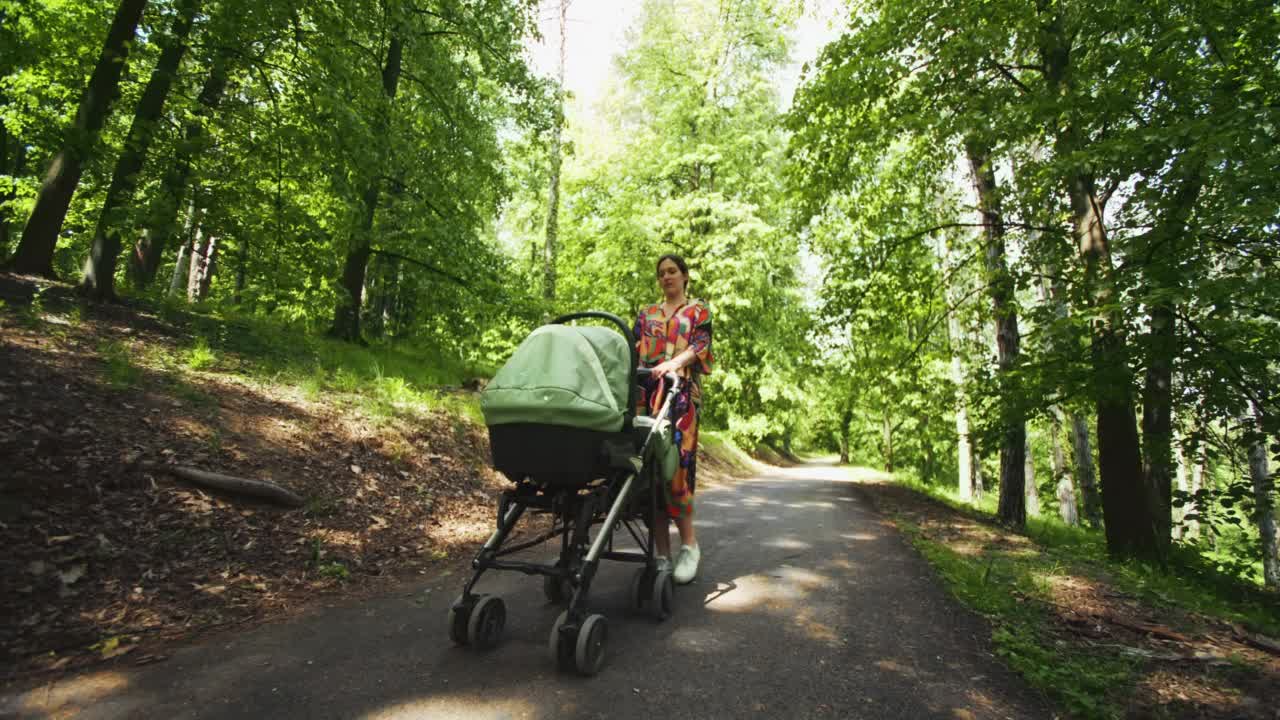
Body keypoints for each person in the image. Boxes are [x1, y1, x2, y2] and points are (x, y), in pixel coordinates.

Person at [634, 253, 713, 584]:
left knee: (676, 472)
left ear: (684, 276)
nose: (666, 277)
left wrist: (673, 363)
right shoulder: (646, 314)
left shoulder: (698, 311)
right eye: (661, 273)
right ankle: (663, 555)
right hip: (644, 399)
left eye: (672, 271)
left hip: (681, 401)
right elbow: (632, 348)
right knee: (648, 476)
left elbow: (701, 344)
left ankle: (690, 546)